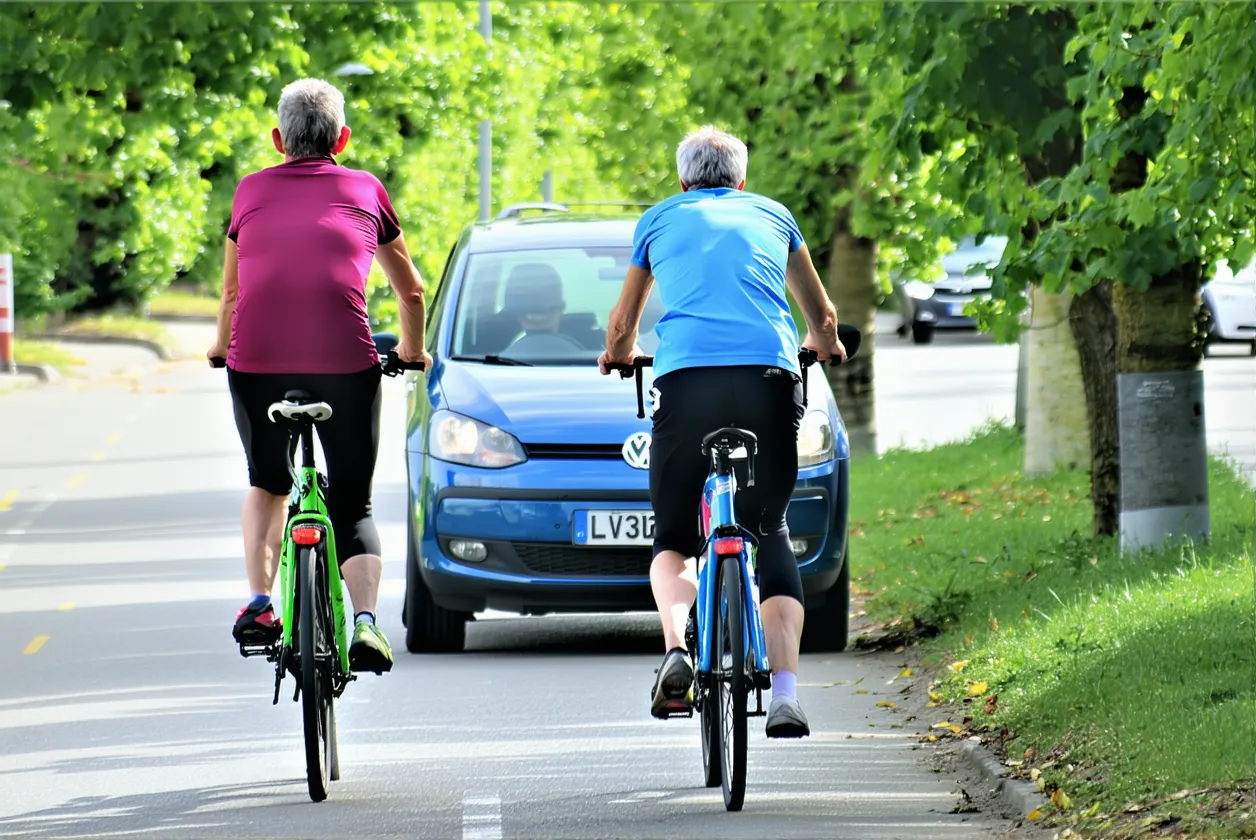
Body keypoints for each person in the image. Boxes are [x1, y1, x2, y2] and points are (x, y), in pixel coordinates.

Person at [598, 126, 846, 738]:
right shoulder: (774, 215)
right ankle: (785, 692)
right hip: (769, 377)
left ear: (683, 181)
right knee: (773, 528)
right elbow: (822, 315)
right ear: (741, 181)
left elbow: (625, 319)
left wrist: (617, 354)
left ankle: (679, 650)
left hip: (689, 383)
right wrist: (828, 344)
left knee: (676, 536)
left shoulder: (658, 220)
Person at [208, 78, 431, 674]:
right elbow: (409, 290)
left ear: (279, 139)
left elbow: (233, 291)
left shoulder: (249, 191)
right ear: (343, 137)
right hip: (345, 366)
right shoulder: (365, 188)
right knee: (352, 505)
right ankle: (364, 624)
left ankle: (260, 601)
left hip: (255, 365)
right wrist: (412, 352)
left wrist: (218, 346)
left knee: (268, 483)